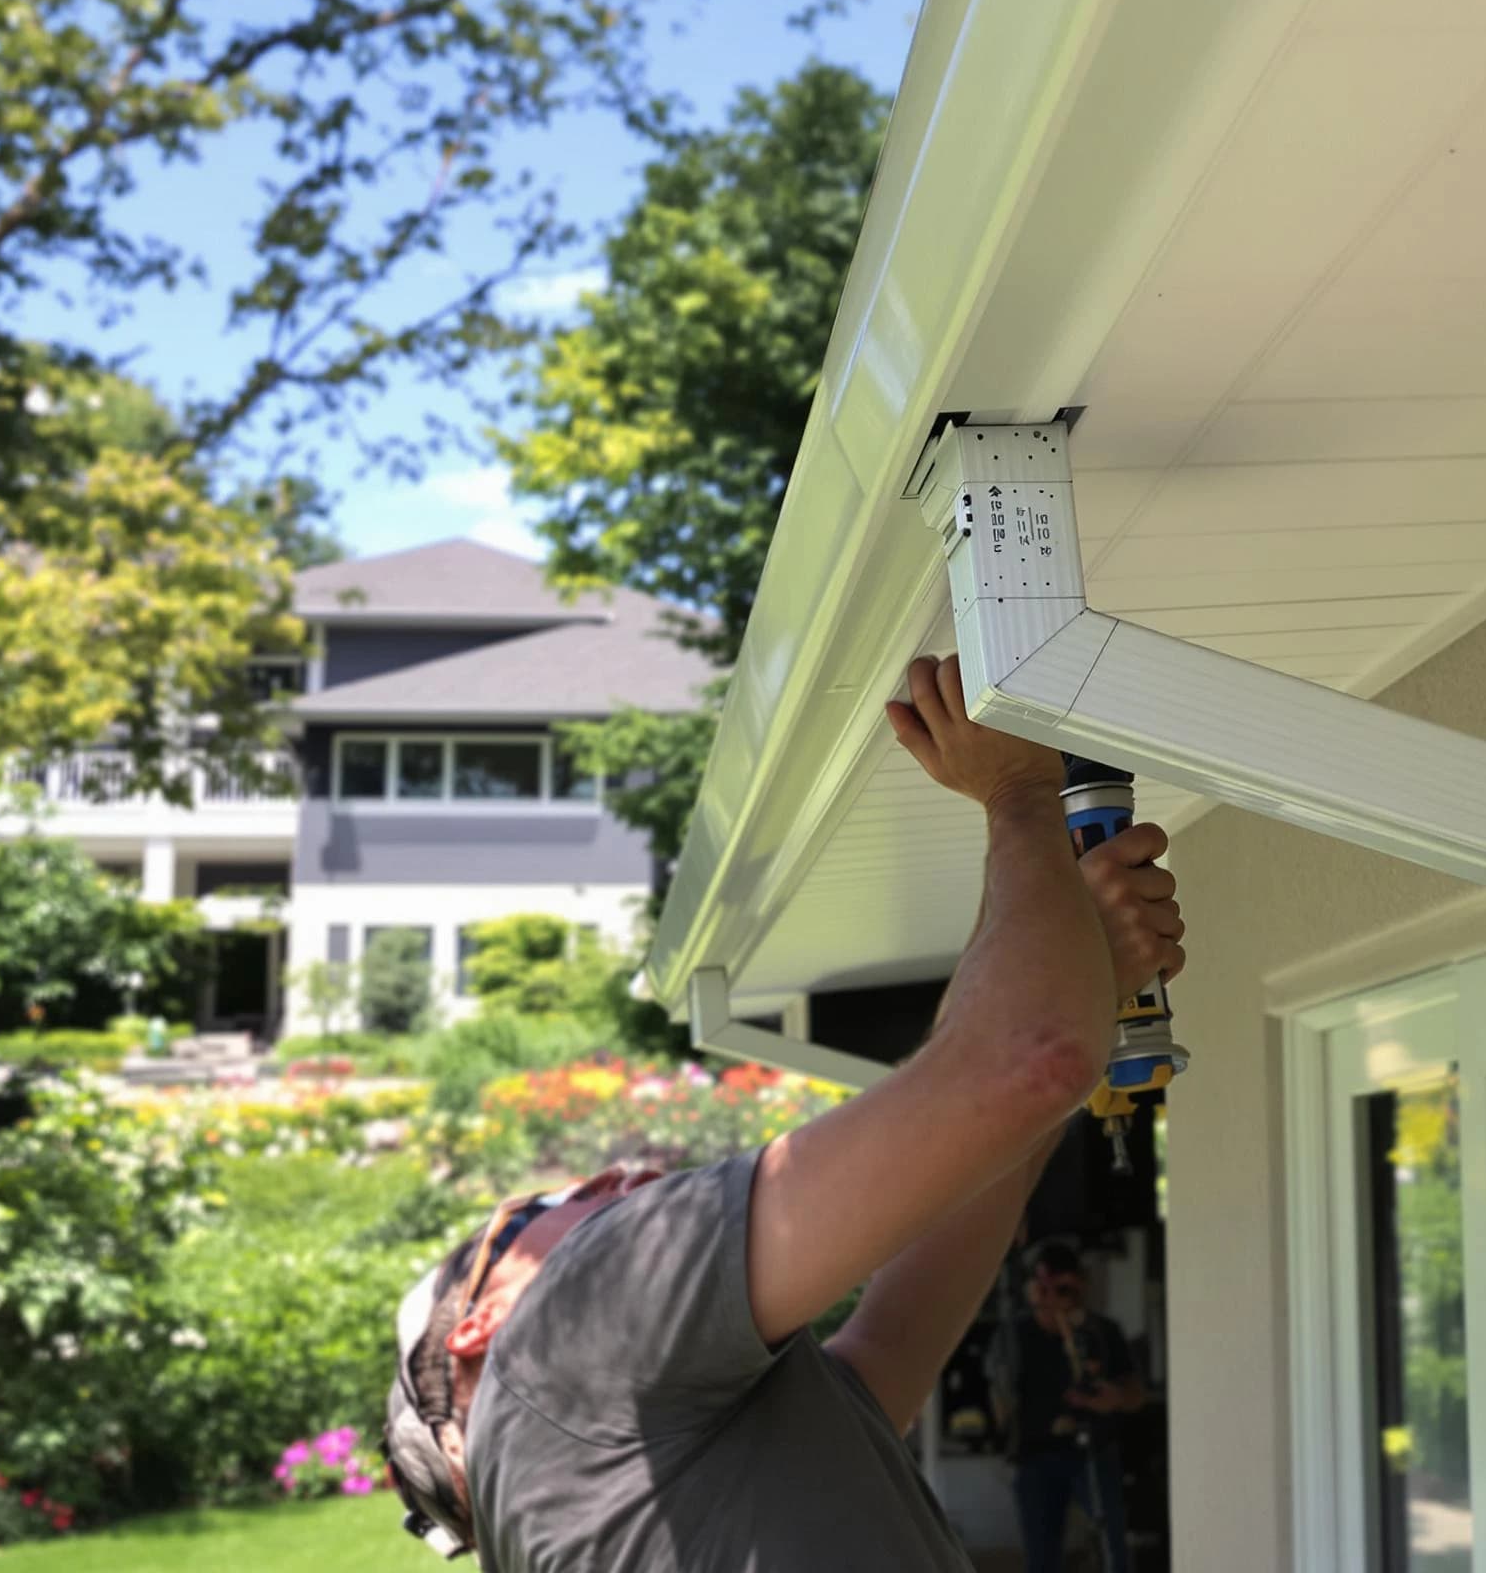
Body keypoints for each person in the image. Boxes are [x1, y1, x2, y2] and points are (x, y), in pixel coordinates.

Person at [381, 654, 1188, 1570]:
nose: (604, 1177)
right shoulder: (560, 1337)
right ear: (481, 1326)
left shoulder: (625, 1482)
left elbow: (967, 1165)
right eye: (531, 1216)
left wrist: (1070, 959)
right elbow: (1022, 1065)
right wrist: (1015, 794)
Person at [1004, 1240, 1143, 1573]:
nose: (1053, 1299)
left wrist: (1115, 1398)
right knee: (1042, 1555)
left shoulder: (1101, 1331)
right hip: (1036, 1453)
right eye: (1044, 1289)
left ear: (1080, 1286)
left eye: (1063, 1290)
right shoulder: (1017, 1335)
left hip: (1092, 1450)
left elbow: (1135, 1391)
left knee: (1111, 1547)